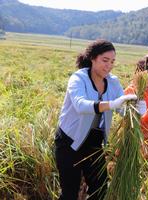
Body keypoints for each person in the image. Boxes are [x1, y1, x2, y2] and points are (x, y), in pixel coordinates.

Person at [54, 39, 137, 200]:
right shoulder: (78, 78)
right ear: (93, 58)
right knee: (69, 193)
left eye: (112, 61)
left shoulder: (113, 82)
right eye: (105, 60)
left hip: (94, 144)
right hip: (69, 142)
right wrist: (111, 104)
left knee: (100, 190)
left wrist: (135, 108)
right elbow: (81, 105)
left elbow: (122, 108)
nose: (109, 65)